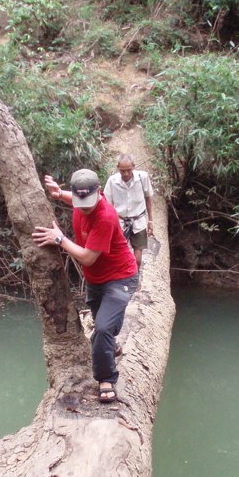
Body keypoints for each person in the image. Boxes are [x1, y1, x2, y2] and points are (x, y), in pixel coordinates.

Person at [33, 168, 139, 404]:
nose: (84, 207)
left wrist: (60, 239)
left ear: (99, 193)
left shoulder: (105, 216)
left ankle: (106, 379)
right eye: (80, 201)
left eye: (89, 202)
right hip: (96, 279)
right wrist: (60, 194)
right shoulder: (81, 201)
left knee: (101, 328)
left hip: (120, 277)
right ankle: (110, 345)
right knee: (103, 324)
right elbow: (75, 199)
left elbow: (88, 257)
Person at [103, 154, 154, 269]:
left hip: (138, 221)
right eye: (122, 171)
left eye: (129, 170)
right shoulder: (112, 181)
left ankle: (134, 279)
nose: (126, 174)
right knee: (118, 254)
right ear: (118, 168)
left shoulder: (142, 178)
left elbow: (148, 198)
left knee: (138, 259)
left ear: (134, 167)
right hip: (120, 222)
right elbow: (107, 204)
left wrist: (150, 221)